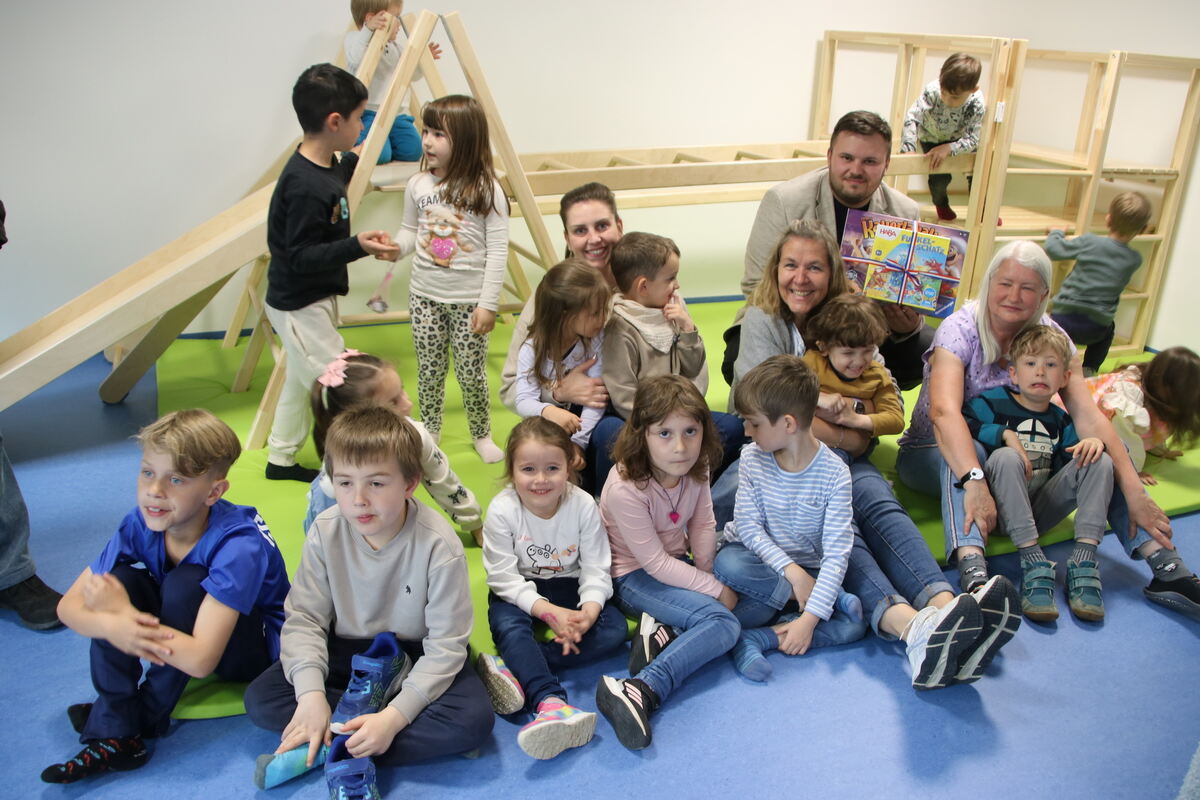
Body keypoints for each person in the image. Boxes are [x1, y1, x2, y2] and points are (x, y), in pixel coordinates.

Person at [721, 221, 1019, 690]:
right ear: (775, 270)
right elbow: (769, 413)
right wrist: (841, 426)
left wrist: (853, 429)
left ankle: (948, 610)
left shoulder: (851, 319)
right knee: (842, 533)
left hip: (841, 458)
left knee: (879, 506)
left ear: (832, 273)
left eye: (815, 267)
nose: (801, 278)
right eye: (791, 265)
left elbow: (882, 403)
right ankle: (913, 625)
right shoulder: (765, 321)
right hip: (786, 462)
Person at [896, 240, 1200, 622]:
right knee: (974, 449)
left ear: (1043, 295)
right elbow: (944, 413)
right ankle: (974, 575)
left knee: (1098, 451)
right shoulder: (960, 329)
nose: (1013, 296)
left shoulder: (1052, 338)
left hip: (1027, 468)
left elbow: (1090, 417)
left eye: (1027, 288)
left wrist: (1134, 489)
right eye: (1005, 284)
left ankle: (1168, 569)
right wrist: (975, 480)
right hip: (937, 452)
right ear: (989, 283)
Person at [244, 406, 492, 798]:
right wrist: (311, 698)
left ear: (410, 483)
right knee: (261, 699)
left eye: (376, 483)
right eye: (344, 483)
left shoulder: (438, 545)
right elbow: (305, 619)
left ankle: (330, 745)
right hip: (348, 652)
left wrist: (393, 718)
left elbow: (445, 646)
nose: (358, 499)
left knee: (473, 721)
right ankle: (352, 733)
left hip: (414, 654)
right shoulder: (325, 531)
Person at [43, 410, 290, 784]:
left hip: (251, 649)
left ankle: (133, 718)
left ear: (214, 492)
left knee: (185, 583)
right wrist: (113, 623)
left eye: (176, 479)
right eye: (147, 473)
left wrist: (126, 622)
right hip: (195, 627)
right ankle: (119, 727)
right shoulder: (140, 521)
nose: (155, 490)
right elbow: (68, 607)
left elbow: (201, 661)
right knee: (122, 581)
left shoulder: (238, 546)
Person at [263, 64, 400, 483]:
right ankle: (348, 467)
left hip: (312, 299)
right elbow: (299, 256)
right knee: (340, 386)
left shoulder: (324, 165)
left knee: (298, 381)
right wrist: (357, 245)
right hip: (299, 305)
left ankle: (280, 459)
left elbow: (336, 176)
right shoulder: (304, 185)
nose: (361, 125)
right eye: (359, 118)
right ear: (335, 122)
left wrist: (356, 159)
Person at [594, 376, 739, 750]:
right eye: (664, 433)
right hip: (632, 576)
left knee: (736, 601)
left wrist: (707, 575)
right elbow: (655, 564)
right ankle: (640, 688)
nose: (680, 447)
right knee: (723, 623)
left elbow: (703, 523)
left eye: (691, 431)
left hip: (677, 563)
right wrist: (714, 590)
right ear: (642, 434)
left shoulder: (697, 463)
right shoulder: (625, 488)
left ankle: (662, 632)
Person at [737, 111, 931, 391]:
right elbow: (755, 284)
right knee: (739, 354)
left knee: (923, 348)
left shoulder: (905, 212)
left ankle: (865, 396)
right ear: (829, 157)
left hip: (864, 327)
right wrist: (812, 317)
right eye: (847, 158)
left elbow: (911, 295)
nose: (856, 170)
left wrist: (906, 325)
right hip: (795, 318)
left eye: (870, 161)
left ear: (886, 164)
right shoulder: (784, 201)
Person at [477, 418, 628, 759]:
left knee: (614, 629)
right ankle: (550, 701)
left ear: (569, 467)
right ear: (512, 471)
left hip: (568, 584)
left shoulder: (583, 505)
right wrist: (546, 611)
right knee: (509, 627)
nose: (541, 479)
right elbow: (502, 578)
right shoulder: (502, 510)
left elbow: (596, 568)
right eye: (528, 469)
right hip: (518, 589)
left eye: (552, 468)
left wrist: (588, 612)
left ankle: (515, 665)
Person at [715, 356, 867, 682]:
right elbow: (748, 528)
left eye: (754, 423)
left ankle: (757, 638)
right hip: (757, 560)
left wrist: (809, 620)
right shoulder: (752, 457)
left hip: (807, 568)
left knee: (854, 626)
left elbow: (836, 553)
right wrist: (794, 575)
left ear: (787, 424)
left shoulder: (835, 474)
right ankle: (814, 601)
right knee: (729, 564)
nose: (746, 431)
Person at [383, 94, 509, 463]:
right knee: (429, 370)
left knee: (471, 374)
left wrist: (488, 304)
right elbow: (410, 230)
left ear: (466, 139)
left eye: (439, 134)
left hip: (469, 302)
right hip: (425, 296)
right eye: (426, 131)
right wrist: (396, 248)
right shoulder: (418, 184)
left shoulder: (488, 189)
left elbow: (498, 250)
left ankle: (481, 433)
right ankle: (430, 430)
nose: (427, 141)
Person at [962, 326, 1114, 622]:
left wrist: (1095, 443)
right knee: (1006, 457)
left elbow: (1076, 465)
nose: (1040, 372)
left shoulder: (1061, 420)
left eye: (1051, 365)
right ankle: (1032, 561)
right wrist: (1003, 433)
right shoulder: (991, 402)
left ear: (1065, 378)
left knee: (1099, 459)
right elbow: (962, 422)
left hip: (1038, 512)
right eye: (1031, 363)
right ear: (1014, 373)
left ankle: (1083, 561)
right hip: (995, 510)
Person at [592, 233, 744, 494]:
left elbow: (694, 372)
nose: (677, 285)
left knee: (731, 427)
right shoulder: (619, 327)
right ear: (643, 286)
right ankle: (614, 497)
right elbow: (623, 394)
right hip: (638, 420)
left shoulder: (672, 309)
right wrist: (662, 426)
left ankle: (694, 491)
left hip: (679, 412)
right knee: (610, 435)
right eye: (671, 278)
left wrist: (688, 331)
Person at [302, 350, 482, 545]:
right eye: (394, 402)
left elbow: (444, 482)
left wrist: (474, 523)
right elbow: (323, 531)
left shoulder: (415, 436)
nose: (408, 403)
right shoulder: (334, 465)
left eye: (402, 390)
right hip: (333, 517)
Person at [499, 182, 623, 416]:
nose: (594, 238)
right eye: (580, 231)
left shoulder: (647, 282)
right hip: (575, 418)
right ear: (567, 238)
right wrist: (558, 392)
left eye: (602, 226)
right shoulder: (552, 295)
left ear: (619, 226)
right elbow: (510, 388)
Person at [1047, 191, 1153, 375]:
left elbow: (1054, 249)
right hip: (1096, 328)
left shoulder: (1090, 242)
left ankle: (1051, 364)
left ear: (1108, 219)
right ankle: (1089, 368)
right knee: (1109, 331)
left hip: (1063, 319)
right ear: (1143, 229)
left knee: (1048, 329)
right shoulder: (1134, 260)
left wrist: (1056, 233)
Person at [512, 259, 612, 454]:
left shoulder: (595, 340)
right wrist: (549, 411)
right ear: (564, 314)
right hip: (547, 426)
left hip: (584, 426)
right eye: (594, 313)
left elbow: (596, 399)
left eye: (604, 310)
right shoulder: (532, 349)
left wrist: (579, 443)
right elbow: (523, 401)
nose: (602, 319)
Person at [1078, 346, 1200, 484]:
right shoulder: (1131, 391)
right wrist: (1132, 470)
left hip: (1115, 423)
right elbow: (1123, 436)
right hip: (1083, 421)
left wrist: (1160, 449)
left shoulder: (1160, 394)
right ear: (1165, 383)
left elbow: (1157, 423)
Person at [801, 293, 905, 445]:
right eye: (848, 353)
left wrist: (855, 419)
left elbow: (896, 420)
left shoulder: (877, 376)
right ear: (824, 347)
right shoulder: (812, 363)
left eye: (868, 351)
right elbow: (784, 393)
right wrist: (818, 398)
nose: (859, 361)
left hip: (850, 447)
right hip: (811, 440)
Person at [344, 0, 441, 164]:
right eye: (395, 17)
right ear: (372, 19)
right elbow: (356, 59)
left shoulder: (396, 47)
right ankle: (355, 145)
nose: (399, 24)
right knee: (379, 156)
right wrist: (368, 30)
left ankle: (388, 142)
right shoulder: (355, 39)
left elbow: (409, 75)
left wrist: (423, 62)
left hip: (397, 114)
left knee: (413, 151)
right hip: (369, 113)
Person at [899, 52, 985, 222]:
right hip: (932, 137)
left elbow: (973, 138)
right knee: (939, 179)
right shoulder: (933, 91)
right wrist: (908, 148)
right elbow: (912, 117)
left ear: (973, 89)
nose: (946, 99)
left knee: (977, 176)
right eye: (944, 92)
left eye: (954, 97)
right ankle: (941, 204)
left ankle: (982, 210)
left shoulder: (976, 103)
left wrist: (950, 147)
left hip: (959, 139)